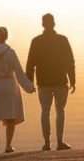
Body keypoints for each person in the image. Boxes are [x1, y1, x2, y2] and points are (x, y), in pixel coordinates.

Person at [25, 13, 76, 151]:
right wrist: (73, 80)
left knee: (45, 111)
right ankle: (60, 142)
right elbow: (70, 61)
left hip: (43, 82)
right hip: (60, 81)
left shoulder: (36, 41)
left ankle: (47, 143)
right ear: (54, 24)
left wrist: (29, 83)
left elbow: (30, 64)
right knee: (60, 111)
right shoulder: (62, 40)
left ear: (43, 24)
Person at [0, 26, 35, 153]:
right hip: (9, 85)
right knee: (10, 116)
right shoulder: (10, 52)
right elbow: (19, 72)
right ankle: (8, 146)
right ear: (6, 36)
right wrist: (29, 87)